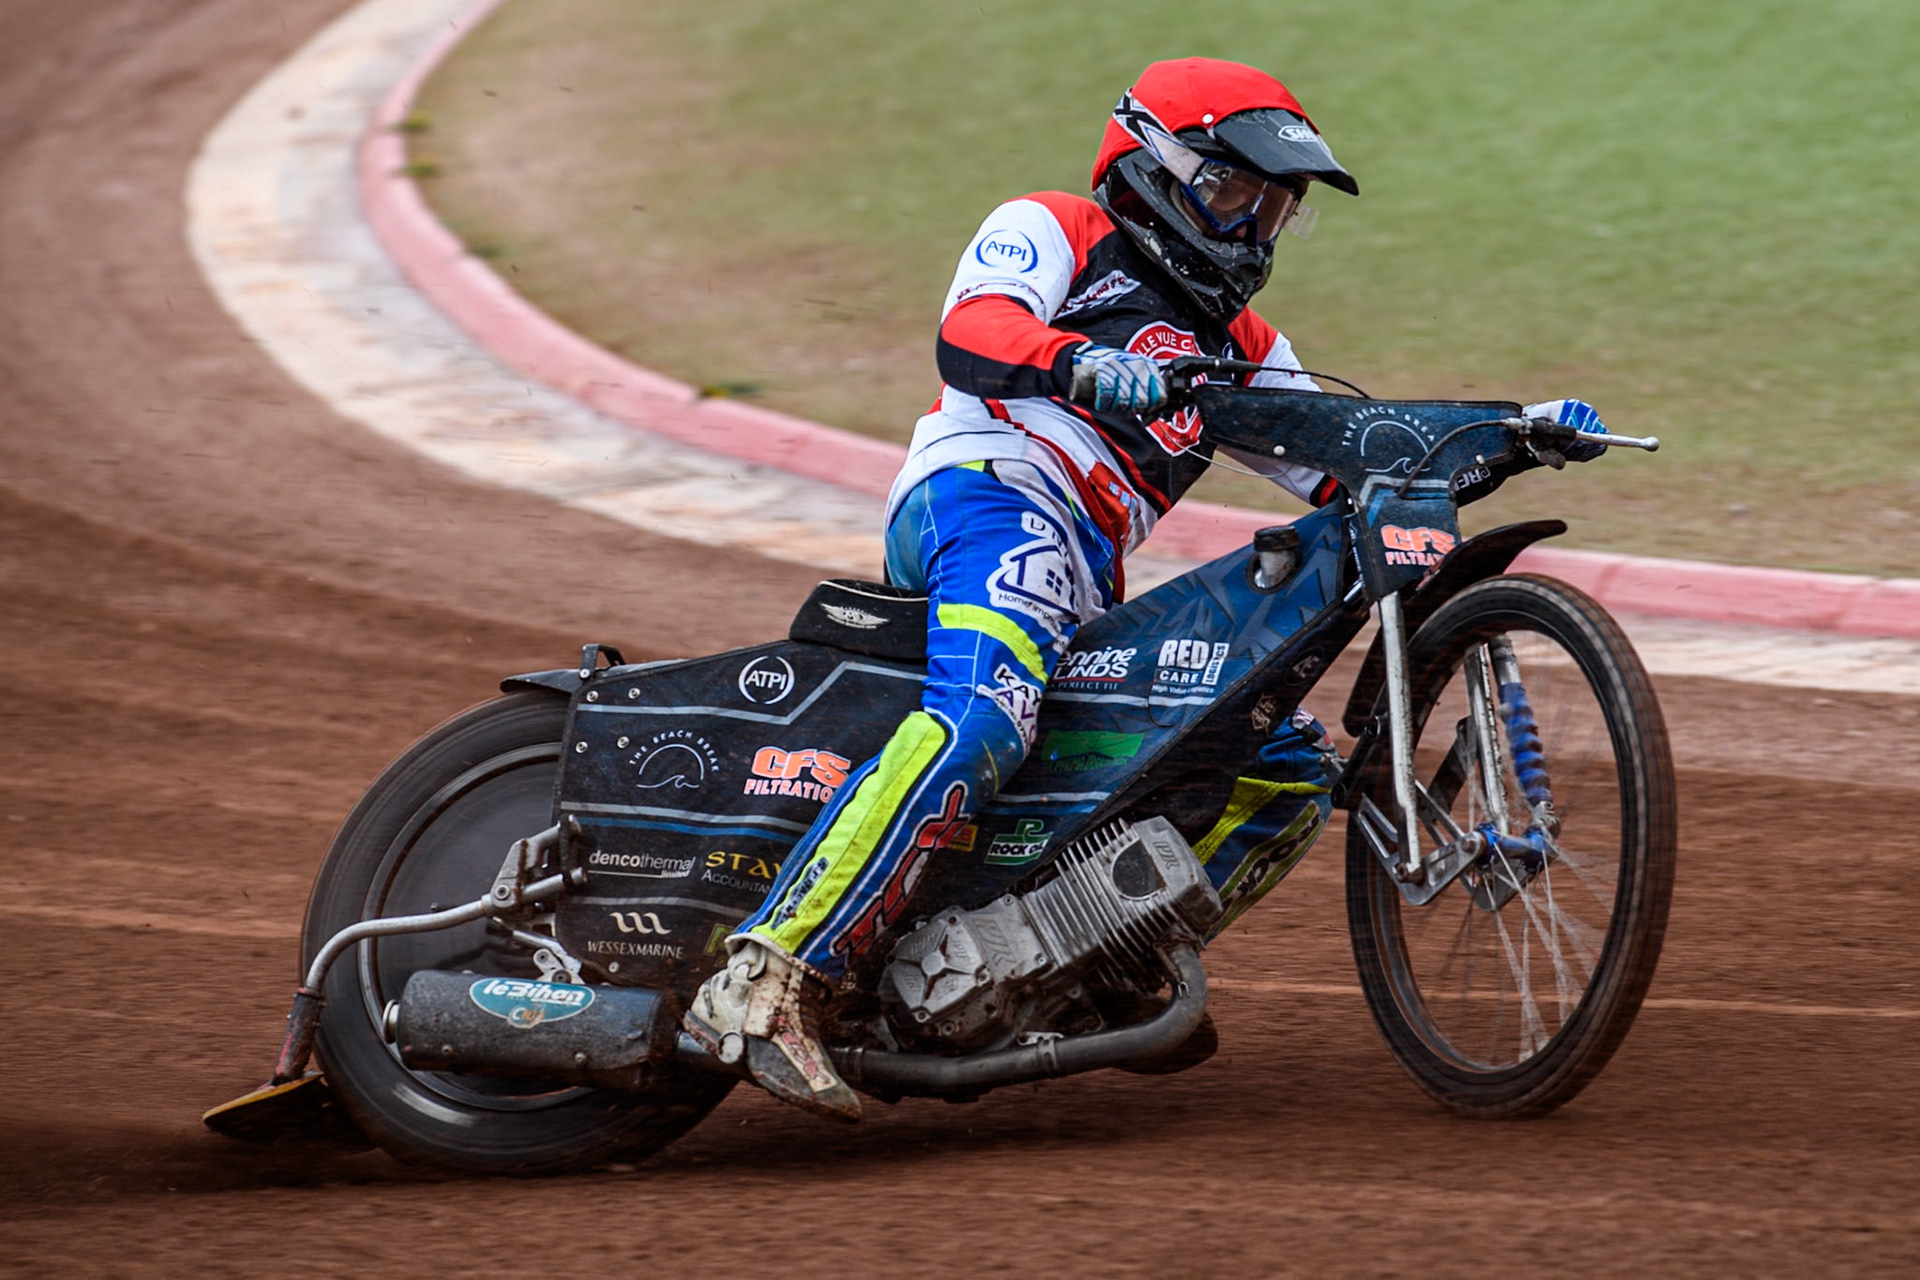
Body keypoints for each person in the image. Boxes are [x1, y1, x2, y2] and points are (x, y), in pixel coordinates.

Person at [683, 57, 1606, 1120]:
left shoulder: (1242, 348)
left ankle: (1080, 961)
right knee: (989, 710)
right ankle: (769, 974)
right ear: (1153, 167)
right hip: (984, 492)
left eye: (1276, 208)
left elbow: (1347, 458)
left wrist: (1509, 435)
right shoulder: (1056, 226)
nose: (1254, 228)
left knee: (1281, 767)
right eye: (1234, 193)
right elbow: (972, 331)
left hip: (1084, 570)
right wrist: (1076, 364)